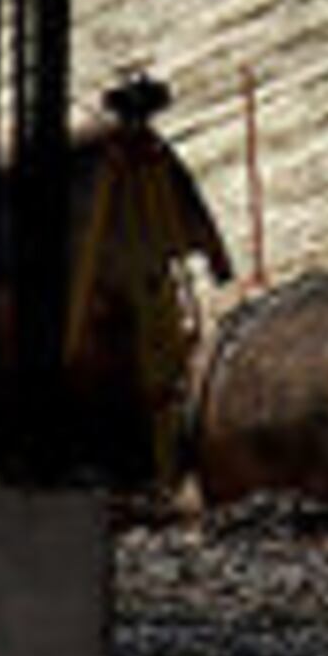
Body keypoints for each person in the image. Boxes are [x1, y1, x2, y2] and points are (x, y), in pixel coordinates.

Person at [63, 71, 233, 489]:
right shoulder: (101, 167)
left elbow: (212, 256)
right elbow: (214, 260)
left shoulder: (134, 162)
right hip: (121, 374)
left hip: (138, 355)